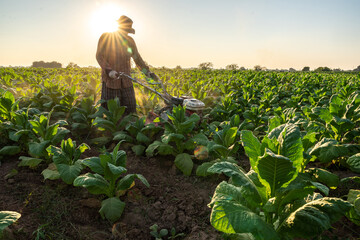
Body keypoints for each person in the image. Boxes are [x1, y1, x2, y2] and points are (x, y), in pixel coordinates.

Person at [96, 15, 155, 113]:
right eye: (125, 30)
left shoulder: (130, 41)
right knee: (111, 110)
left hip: (126, 80)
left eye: (127, 31)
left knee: (131, 108)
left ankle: (129, 127)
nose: (126, 33)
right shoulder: (106, 37)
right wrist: (109, 70)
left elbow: (137, 58)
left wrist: (147, 72)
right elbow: (99, 56)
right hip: (111, 80)